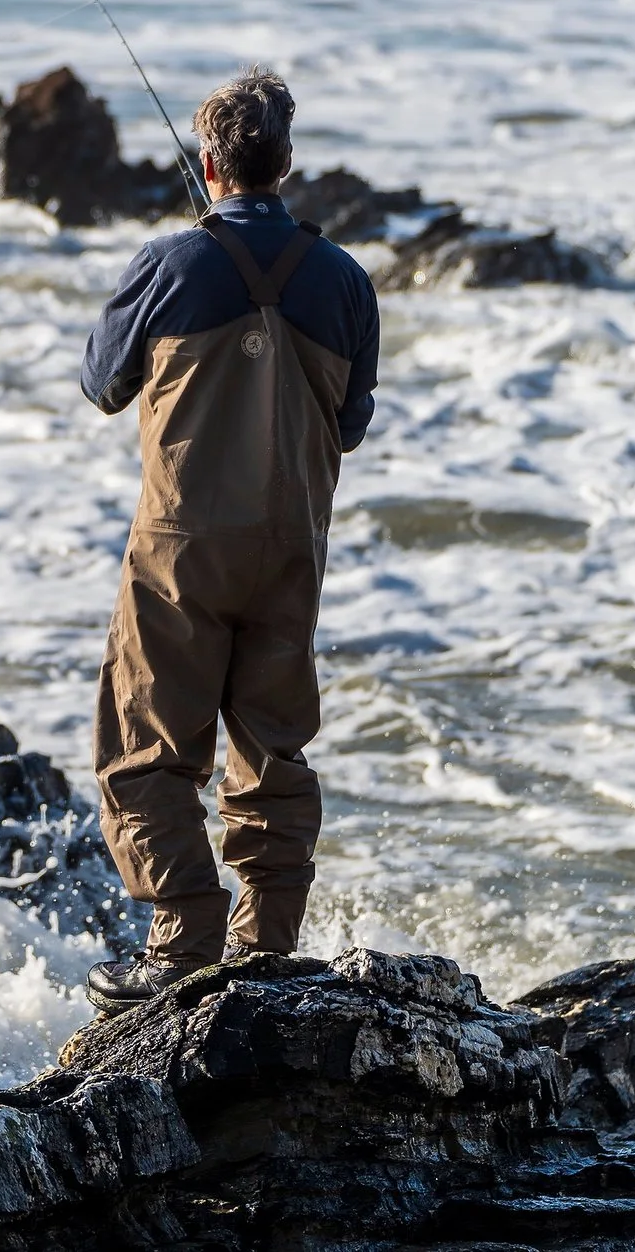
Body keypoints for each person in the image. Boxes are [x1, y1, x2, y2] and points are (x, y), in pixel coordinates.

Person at [76, 68, 379, 1012]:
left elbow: (101, 382)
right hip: (293, 545)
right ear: (286, 163)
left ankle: (184, 936)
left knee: (145, 747)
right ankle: (268, 942)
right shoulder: (345, 279)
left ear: (208, 162)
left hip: (182, 543)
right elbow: (354, 422)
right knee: (275, 747)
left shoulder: (168, 263)